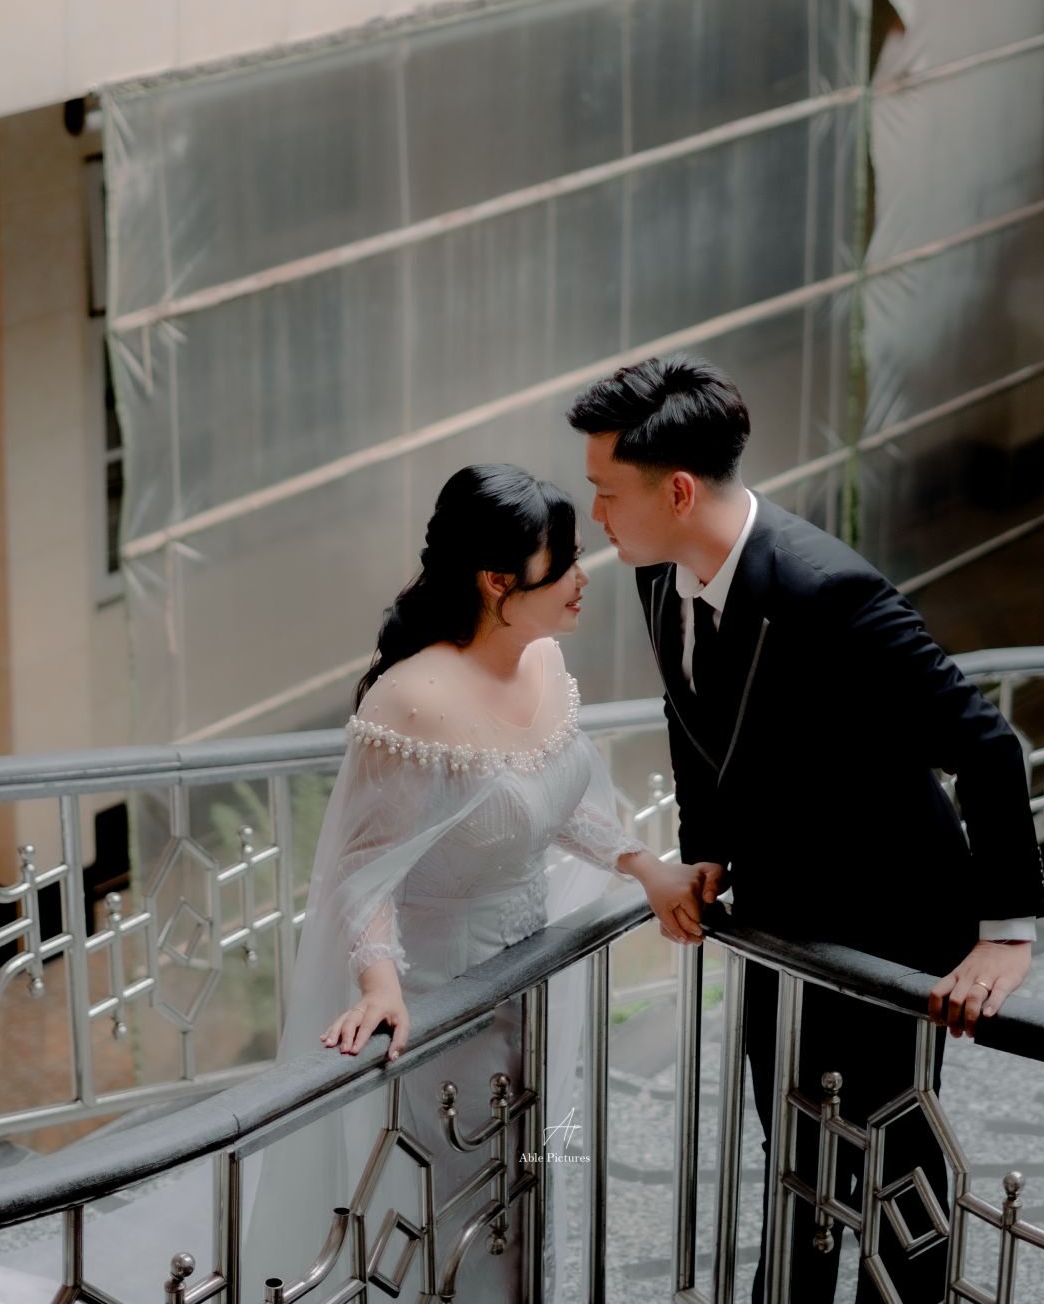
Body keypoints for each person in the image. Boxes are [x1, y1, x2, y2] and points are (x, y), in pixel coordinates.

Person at [567, 352, 1044, 1304]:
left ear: (676, 490)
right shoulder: (660, 574)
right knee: (793, 1139)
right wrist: (709, 847)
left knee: (893, 1158)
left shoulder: (829, 590)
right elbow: (689, 713)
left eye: (606, 493)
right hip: (780, 909)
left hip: (893, 914)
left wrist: (1005, 932)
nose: (596, 515)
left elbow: (987, 745)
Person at [243, 463, 712, 1302]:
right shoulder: (412, 703)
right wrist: (380, 983)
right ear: (498, 580)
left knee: (524, 1185)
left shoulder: (543, 661)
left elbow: (554, 801)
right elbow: (362, 872)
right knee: (455, 1202)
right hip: (443, 1000)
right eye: (564, 562)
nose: (583, 577)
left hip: (531, 982)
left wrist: (644, 867)